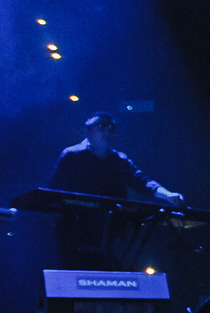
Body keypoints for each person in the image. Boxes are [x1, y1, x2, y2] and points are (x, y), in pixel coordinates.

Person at [48, 113, 184, 269]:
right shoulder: (72, 156)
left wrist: (168, 195)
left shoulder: (120, 160)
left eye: (111, 128)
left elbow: (142, 181)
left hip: (109, 236)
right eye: (102, 127)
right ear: (89, 131)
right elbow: (55, 192)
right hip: (75, 234)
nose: (107, 132)